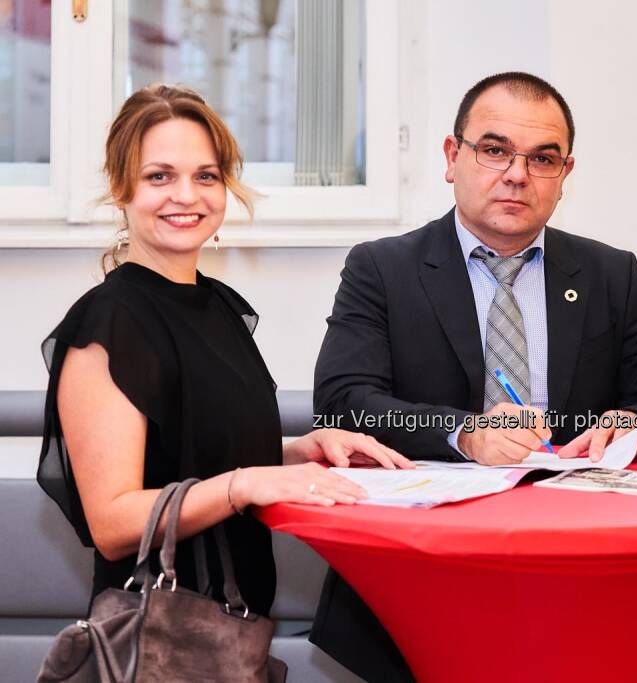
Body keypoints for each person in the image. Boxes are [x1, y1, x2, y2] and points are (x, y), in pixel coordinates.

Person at [311, 71, 637, 680]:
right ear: (452, 156)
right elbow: (343, 404)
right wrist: (466, 434)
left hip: (575, 569)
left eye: (542, 158)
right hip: (417, 574)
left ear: (564, 174)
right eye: (494, 150)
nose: (517, 174)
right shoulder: (382, 269)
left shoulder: (608, 273)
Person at [37, 84, 412, 621]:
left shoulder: (218, 307)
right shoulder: (109, 323)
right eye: (159, 176)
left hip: (236, 626)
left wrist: (296, 453)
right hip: (156, 644)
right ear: (122, 188)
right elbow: (114, 524)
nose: (186, 196)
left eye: (206, 176)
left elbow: (197, 461)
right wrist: (244, 484)